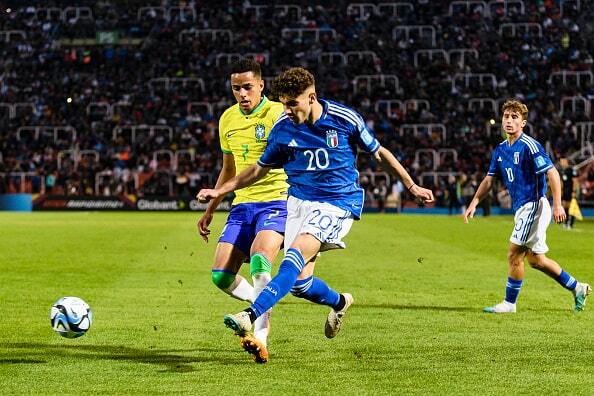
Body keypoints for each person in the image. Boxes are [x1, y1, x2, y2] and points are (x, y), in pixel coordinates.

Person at [198, 67, 434, 357]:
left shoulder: (343, 119)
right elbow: (258, 170)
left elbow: (379, 153)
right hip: (298, 203)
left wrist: (411, 186)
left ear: (312, 97)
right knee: (299, 284)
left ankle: (250, 315)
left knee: (292, 257)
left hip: (337, 203)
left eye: (292, 103)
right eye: (283, 103)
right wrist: (220, 191)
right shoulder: (283, 128)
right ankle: (339, 302)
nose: (286, 110)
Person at [196, 59, 287, 363]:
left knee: (261, 262)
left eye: (248, 86)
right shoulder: (227, 119)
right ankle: (261, 301)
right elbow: (228, 168)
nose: (243, 93)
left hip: (277, 200)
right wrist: (211, 208)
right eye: (237, 88)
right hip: (241, 204)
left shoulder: (278, 113)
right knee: (221, 276)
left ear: (262, 85)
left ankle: (260, 337)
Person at [463, 99, 590, 313]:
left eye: (515, 117)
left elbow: (552, 173)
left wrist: (558, 205)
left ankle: (509, 303)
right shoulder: (501, 149)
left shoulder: (530, 146)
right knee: (536, 260)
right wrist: (474, 202)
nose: (509, 120)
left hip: (534, 206)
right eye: (506, 116)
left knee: (513, 254)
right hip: (523, 208)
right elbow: (488, 179)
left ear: (523, 123)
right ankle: (577, 287)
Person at [559, 157, 578, 229]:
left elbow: (575, 181)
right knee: (565, 206)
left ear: (566, 161)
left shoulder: (571, 170)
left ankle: (571, 224)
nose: (561, 163)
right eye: (560, 161)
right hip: (565, 191)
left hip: (570, 191)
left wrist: (574, 191)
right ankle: (566, 222)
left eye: (562, 161)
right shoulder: (562, 170)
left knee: (571, 207)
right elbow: (562, 182)